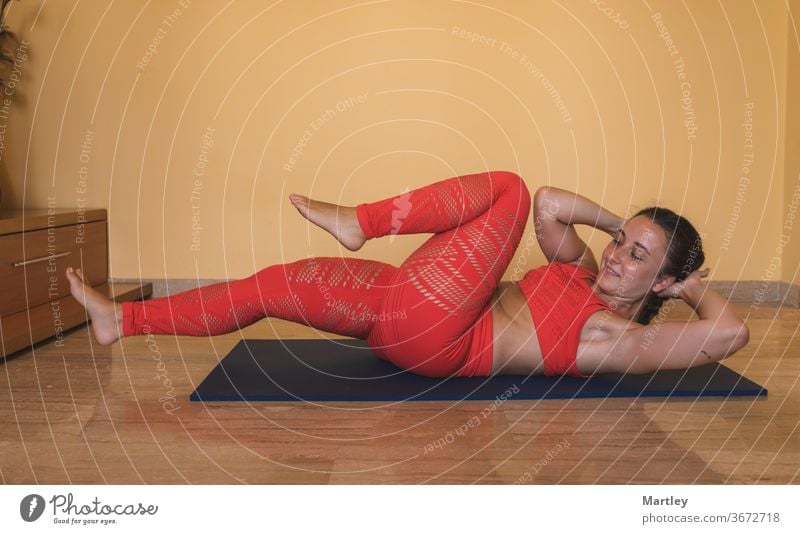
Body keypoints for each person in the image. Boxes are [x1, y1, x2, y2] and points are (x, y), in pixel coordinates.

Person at [65, 170, 749, 378]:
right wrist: (617, 227)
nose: (617, 255)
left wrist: (690, 289)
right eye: (623, 240)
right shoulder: (581, 273)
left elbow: (732, 333)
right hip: (406, 310)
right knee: (272, 284)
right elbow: (554, 206)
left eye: (637, 255)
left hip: (437, 338)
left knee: (504, 190)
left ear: (660, 283)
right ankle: (119, 321)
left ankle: (361, 222)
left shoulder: (613, 338)